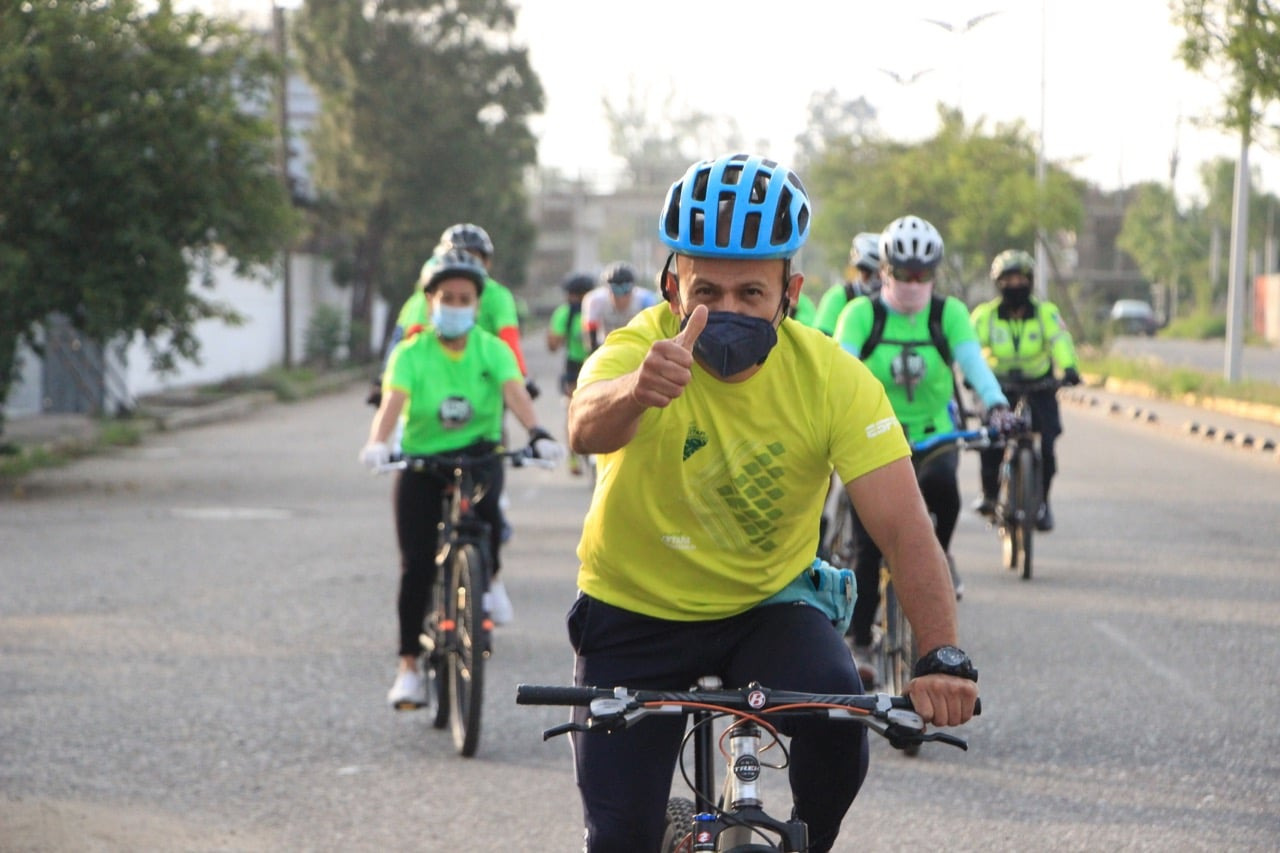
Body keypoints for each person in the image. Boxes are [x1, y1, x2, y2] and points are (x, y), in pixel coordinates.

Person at [563, 154, 979, 853]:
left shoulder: (832, 379)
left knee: (839, 729)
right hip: (633, 610)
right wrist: (636, 390)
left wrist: (941, 654)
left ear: (790, 292)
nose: (727, 311)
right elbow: (584, 424)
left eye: (751, 292)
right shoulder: (639, 349)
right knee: (619, 838)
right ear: (671, 286)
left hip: (767, 607)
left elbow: (906, 529)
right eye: (706, 290)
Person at [358, 248, 564, 708]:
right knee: (415, 565)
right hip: (422, 461)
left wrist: (539, 432)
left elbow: (514, 391)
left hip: (478, 457)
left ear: (476, 302)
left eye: (464, 297)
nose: (455, 305)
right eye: (446, 297)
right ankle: (409, 666)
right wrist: (379, 441)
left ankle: (484, 587)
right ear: (430, 303)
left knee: (488, 528)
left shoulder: (491, 349)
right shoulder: (412, 352)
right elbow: (393, 401)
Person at [832, 214, 1016, 683]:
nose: (914, 285)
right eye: (903, 274)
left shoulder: (948, 313)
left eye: (923, 275)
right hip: (872, 437)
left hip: (934, 431)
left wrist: (996, 404)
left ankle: (940, 555)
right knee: (868, 547)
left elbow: (973, 363)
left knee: (944, 490)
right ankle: (858, 639)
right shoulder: (861, 314)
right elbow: (837, 368)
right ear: (885, 271)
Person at [970, 249, 1082, 531]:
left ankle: (1042, 504)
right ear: (998, 284)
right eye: (1008, 280)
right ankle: (990, 494)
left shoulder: (1046, 313)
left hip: (1039, 383)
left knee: (1046, 446)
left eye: (1020, 278)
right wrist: (971, 377)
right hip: (998, 384)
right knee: (992, 439)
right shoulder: (986, 316)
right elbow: (969, 347)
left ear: (1030, 281)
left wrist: (1069, 368)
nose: (1015, 285)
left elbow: (1060, 340)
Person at [368, 222, 538, 406]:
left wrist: (519, 375)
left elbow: (508, 338)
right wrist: (386, 377)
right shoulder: (426, 295)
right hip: (431, 382)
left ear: (487, 263)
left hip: (481, 380)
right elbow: (407, 339)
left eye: (472, 257)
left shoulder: (498, 296)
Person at [547, 271, 596, 475]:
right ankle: (574, 454)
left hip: (596, 361)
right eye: (575, 295)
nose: (577, 300)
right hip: (574, 365)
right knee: (572, 409)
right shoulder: (564, 314)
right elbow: (553, 345)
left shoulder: (595, 309)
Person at [580, 260, 660, 353]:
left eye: (625, 290)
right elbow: (590, 335)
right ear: (607, 289)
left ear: (633, 288)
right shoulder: (594, 300)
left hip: (635, 346)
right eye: (615, 290)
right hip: (606, 345)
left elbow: (653, 334)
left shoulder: (646, 300)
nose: (621, 297)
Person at [813, 231, 882, 336]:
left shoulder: (897, 303)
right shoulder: (839, 296)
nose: (874, 281)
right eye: (866, 272)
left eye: (879, 275)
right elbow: (821, 338)